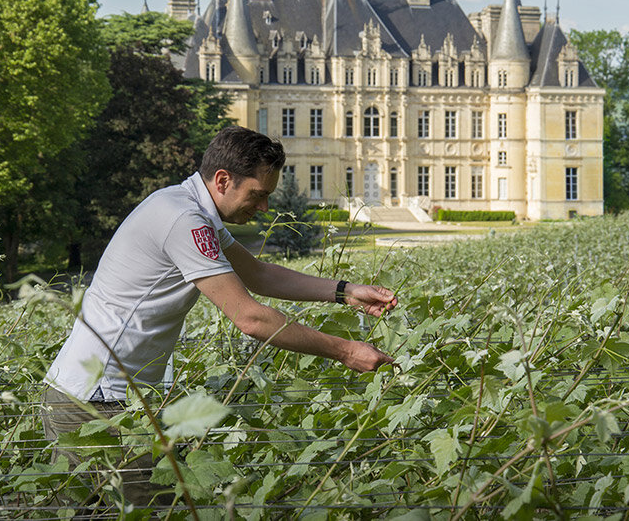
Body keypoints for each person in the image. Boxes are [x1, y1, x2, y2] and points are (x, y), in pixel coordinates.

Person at [41, 126, 397, 508]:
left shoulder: (190, 209)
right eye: (258, 195)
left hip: (98, 394)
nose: (263, 208)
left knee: (102, 510)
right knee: (147, 511)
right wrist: (346, 351)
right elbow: (250, 318)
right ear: (223, 180)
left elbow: (258, 274)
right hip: (95, 400)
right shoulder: (184, 220)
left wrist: (346, 292)